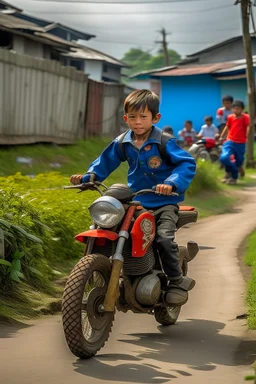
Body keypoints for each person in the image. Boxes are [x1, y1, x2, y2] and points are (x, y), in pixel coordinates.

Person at [70, 89, 196, 305]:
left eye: (143, 117)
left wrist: (171, 183)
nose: (138, 122)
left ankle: (176, 280)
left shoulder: (164, 142)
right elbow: (105, 161)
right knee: (110, 228)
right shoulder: (123, 142)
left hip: (164, 203)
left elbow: (186, 163)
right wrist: (89, 177)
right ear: (125, 118)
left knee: (164, 239)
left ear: (155, 118)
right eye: (133, 117)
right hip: (135, 202)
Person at [220, 100, 250, 185]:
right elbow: (227, 127)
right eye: (234, 108)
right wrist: (222, 136)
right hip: (230, 141)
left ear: (242, 109)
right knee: (224, 157)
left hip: (241, 143)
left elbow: (248, 127)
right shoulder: (230, 117)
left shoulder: (245, 117)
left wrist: (247, 137)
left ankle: (233, 177)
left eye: (238, 109)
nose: (236, 110)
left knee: (238, 161)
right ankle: (233, 171)